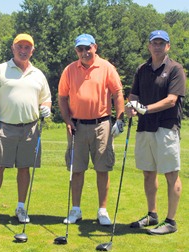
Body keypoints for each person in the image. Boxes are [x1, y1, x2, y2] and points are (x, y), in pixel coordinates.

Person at [0, 33, 52, 225]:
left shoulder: (38, 74)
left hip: (30, 129)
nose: (23, 50)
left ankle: (21, 207)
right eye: (19, 47)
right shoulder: (0, 70)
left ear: (32, 50)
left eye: (27, 47)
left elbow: (46, 98)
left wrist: (46, 107)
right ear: (13, 48)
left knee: (24, 169)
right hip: (4, 127)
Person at [58, 33, 125, 225]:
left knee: (102, 168)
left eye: (88, 48)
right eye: (80, 49)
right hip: (76, 126)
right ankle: (76, 209)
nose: (84, 52)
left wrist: (119, 119)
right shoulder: (70, 70)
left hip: (102, 124)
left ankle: (102, 211)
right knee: (76, 169)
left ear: (95, 47)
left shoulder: (106, 67)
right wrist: (67, 119)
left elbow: (118, 93)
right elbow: (62, 97)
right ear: (76, 50)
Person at [125, 30, 186, 235]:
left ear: (168, 46)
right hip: (144, 127)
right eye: (154, 43)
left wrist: (146, 109)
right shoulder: (142, 69)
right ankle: (152, 215)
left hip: (166, 127)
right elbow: (134, 95)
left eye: (162, 43)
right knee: (148, 172)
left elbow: (171, 100)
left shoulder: (175, 69)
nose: (157, 46)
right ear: (149, 46)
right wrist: (130, 107)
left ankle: (171, 221)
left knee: (170, 173)